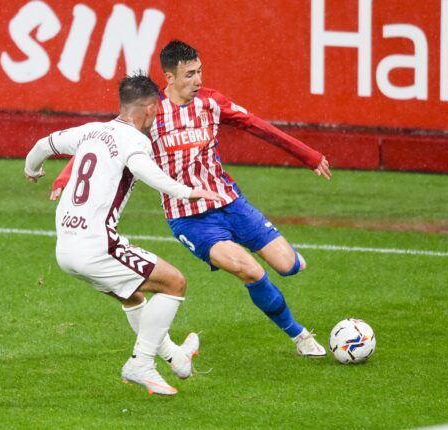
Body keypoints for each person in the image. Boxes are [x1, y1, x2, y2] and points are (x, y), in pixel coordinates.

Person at [51, 40, 332, 357]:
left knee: (288, 266)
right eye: (189, 75)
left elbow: (255, 124)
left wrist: (308, 156)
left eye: (199, 72)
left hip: (230, 201)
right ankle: (300, 336)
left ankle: (290, 264)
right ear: (169, 78)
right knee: (250, 271)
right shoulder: (151, 112)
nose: (198, 81)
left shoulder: (211, 103)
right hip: (190, 218)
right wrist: (64, 177)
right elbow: (103, 139)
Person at [24, 73, 222, 395]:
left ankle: (176, 358)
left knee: (133, 296)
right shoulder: (135, 141)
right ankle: (140, 363)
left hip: (66, 250)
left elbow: (41, 146)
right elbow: (148, 172)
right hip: (97, 246)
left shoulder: (90, 131)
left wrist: (33, 170)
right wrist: (187, 192)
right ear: (148, 109)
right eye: (156, 111)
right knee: (174, 283)